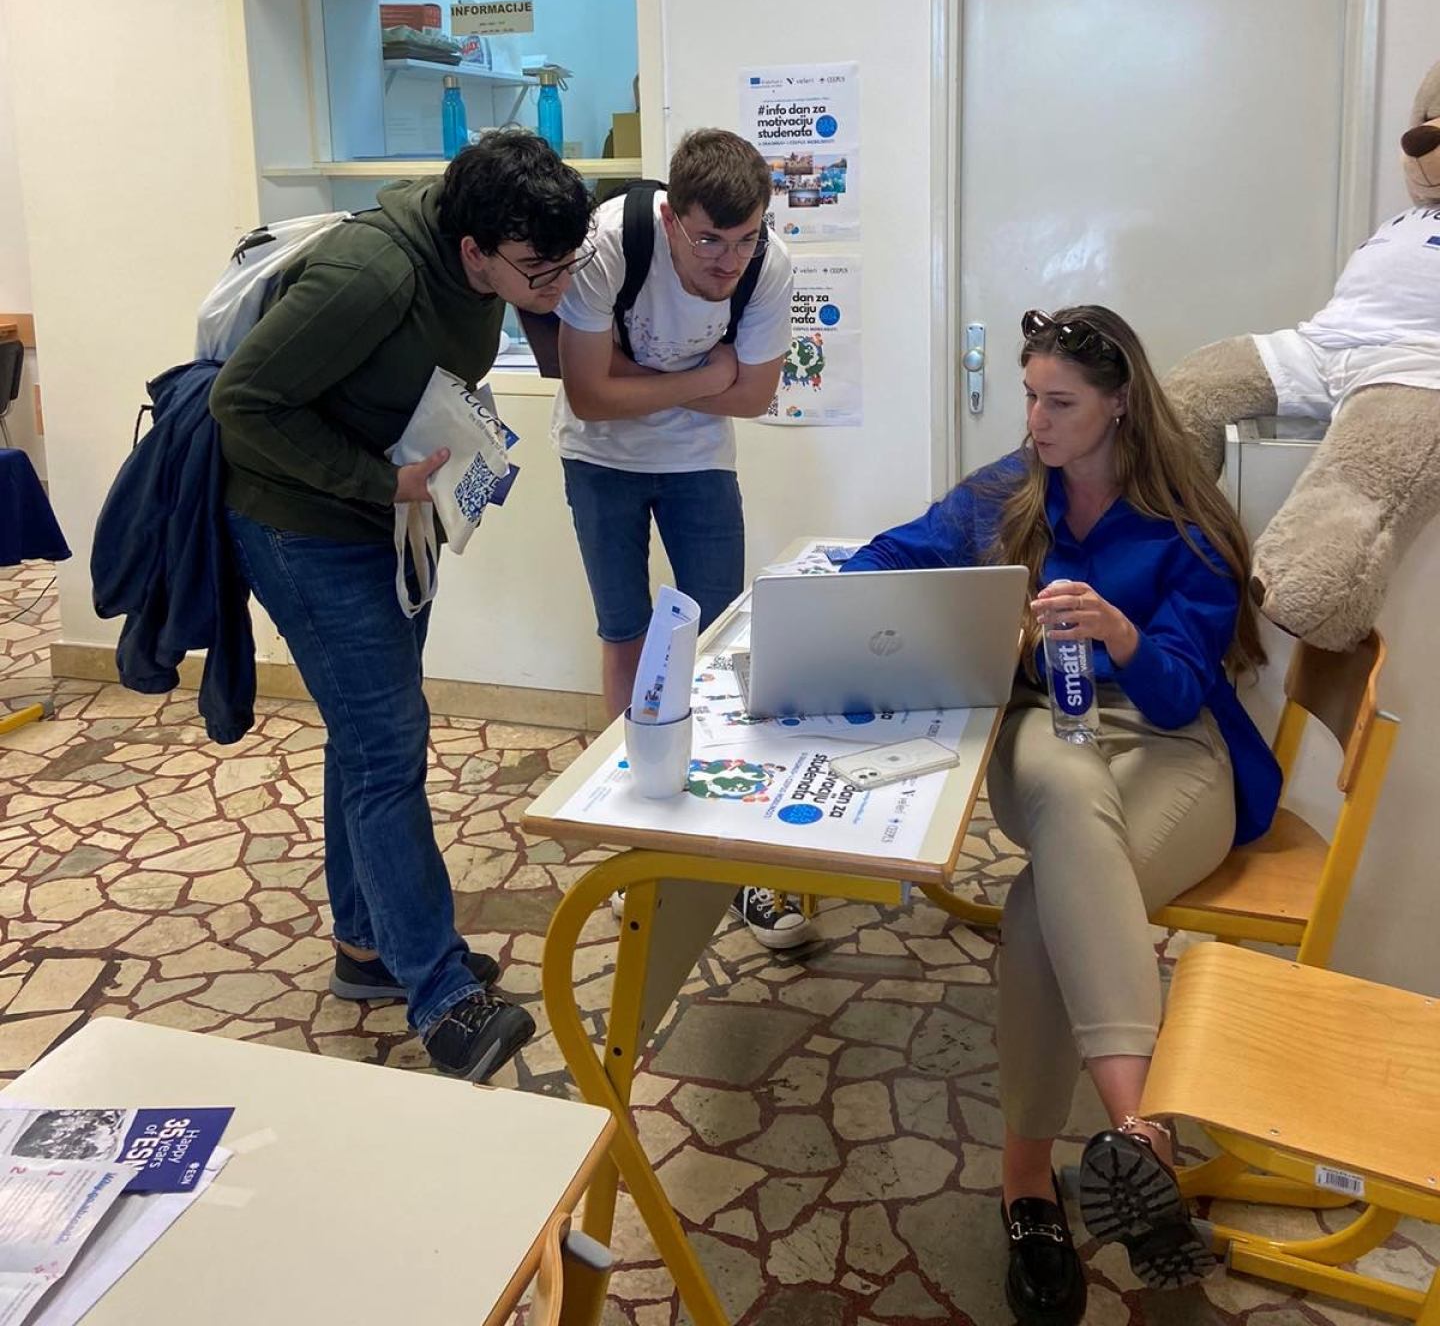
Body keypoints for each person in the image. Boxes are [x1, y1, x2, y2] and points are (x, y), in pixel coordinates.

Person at [845, 306, 1281, 1325]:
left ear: (1120, 405)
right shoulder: (1010, 492)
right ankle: (1146, 1137)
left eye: (1061, 403)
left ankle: (1030, 1186)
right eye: (1030, 397)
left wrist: (1123, 633)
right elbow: (891, 557)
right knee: (1071, 795)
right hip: (1048, 728)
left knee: (1044, 910)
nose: (1036, 421)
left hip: (1175, 748)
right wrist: (858, 611)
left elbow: (1178, 695)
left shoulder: (1189, 524)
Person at [210, 129, 593, 1081]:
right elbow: (242, 404)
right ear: (473, 250)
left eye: (566, 262)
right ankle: (441, 996)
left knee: (365, 736)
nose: (555, 284)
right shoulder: (370, 277)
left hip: (384, 520)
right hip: (304, 530)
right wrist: (381, 482)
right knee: (386, 748)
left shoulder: (485, 261)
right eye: (539, 270)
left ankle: (367, 946)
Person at [554, 128, 808, 951]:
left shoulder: (769, 267)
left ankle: (736, 843)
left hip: (700, 464)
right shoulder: (610, 243)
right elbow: (587, 397)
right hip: (598, 459)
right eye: (709, 240)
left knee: (722, 637)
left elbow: (756, 397)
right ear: (671, 218)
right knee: (625, 631)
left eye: (745, 238)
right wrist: (705, 376)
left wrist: (635, 380)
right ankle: (640, 837)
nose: (729, 261)